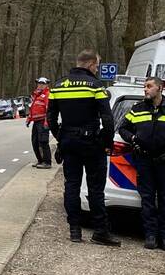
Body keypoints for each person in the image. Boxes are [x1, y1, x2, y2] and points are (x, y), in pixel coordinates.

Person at [47, 50, 121, 246]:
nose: (97, 69)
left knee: (71, 186)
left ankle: (75, 231)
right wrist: (106, 141)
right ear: (90, 65)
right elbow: (107, 118)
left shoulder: (58, 86)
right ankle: (100, 231)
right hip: (91, 143)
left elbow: (51, 118)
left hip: (69, 142)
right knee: (95, 188)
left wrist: (60, 137)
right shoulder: (96, 86)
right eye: (96, 66)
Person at [118, 77, 165, 252]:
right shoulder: (137, 109)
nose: (145, 89)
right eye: (144, 86)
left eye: (149, 86)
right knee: (147, 200)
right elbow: (123, 128)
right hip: (144, 161)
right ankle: (150, 236)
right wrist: (133, 138)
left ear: (160, 88)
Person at [26, 77, 52, 169]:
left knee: (43, 142)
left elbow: (48, 110)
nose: (40, 85)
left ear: (46, 85)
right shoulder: (36, 95)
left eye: (42, 83)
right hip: (36, 122)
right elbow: (32, 108)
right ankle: (40, 160)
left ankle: (47, 162)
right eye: (39, 83)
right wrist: (29, 119)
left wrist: (46, 122)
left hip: (42, 122)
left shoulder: (47, 95)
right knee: (35, 142)